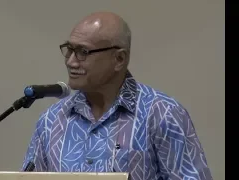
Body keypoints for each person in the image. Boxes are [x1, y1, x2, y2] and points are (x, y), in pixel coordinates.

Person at [21, 11, 213, 180]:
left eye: (83, 52)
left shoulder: (163, 113)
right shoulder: (51, 121)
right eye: (69, 50)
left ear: (119, 59)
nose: (71, 62)